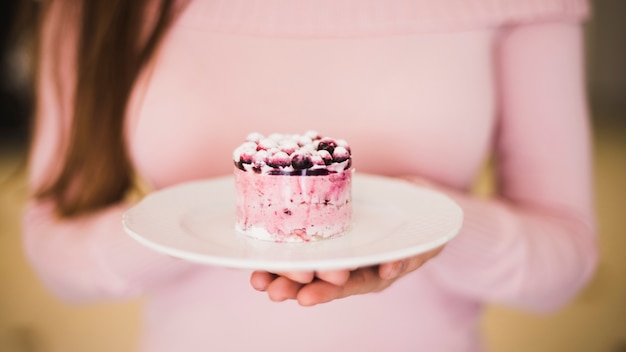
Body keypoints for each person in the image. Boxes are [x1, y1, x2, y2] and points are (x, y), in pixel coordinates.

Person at [21, 0, 598, 351]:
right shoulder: (90, 10)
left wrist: (430, 226)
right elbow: (55, 254)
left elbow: (565, 262)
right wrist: (185, 228)